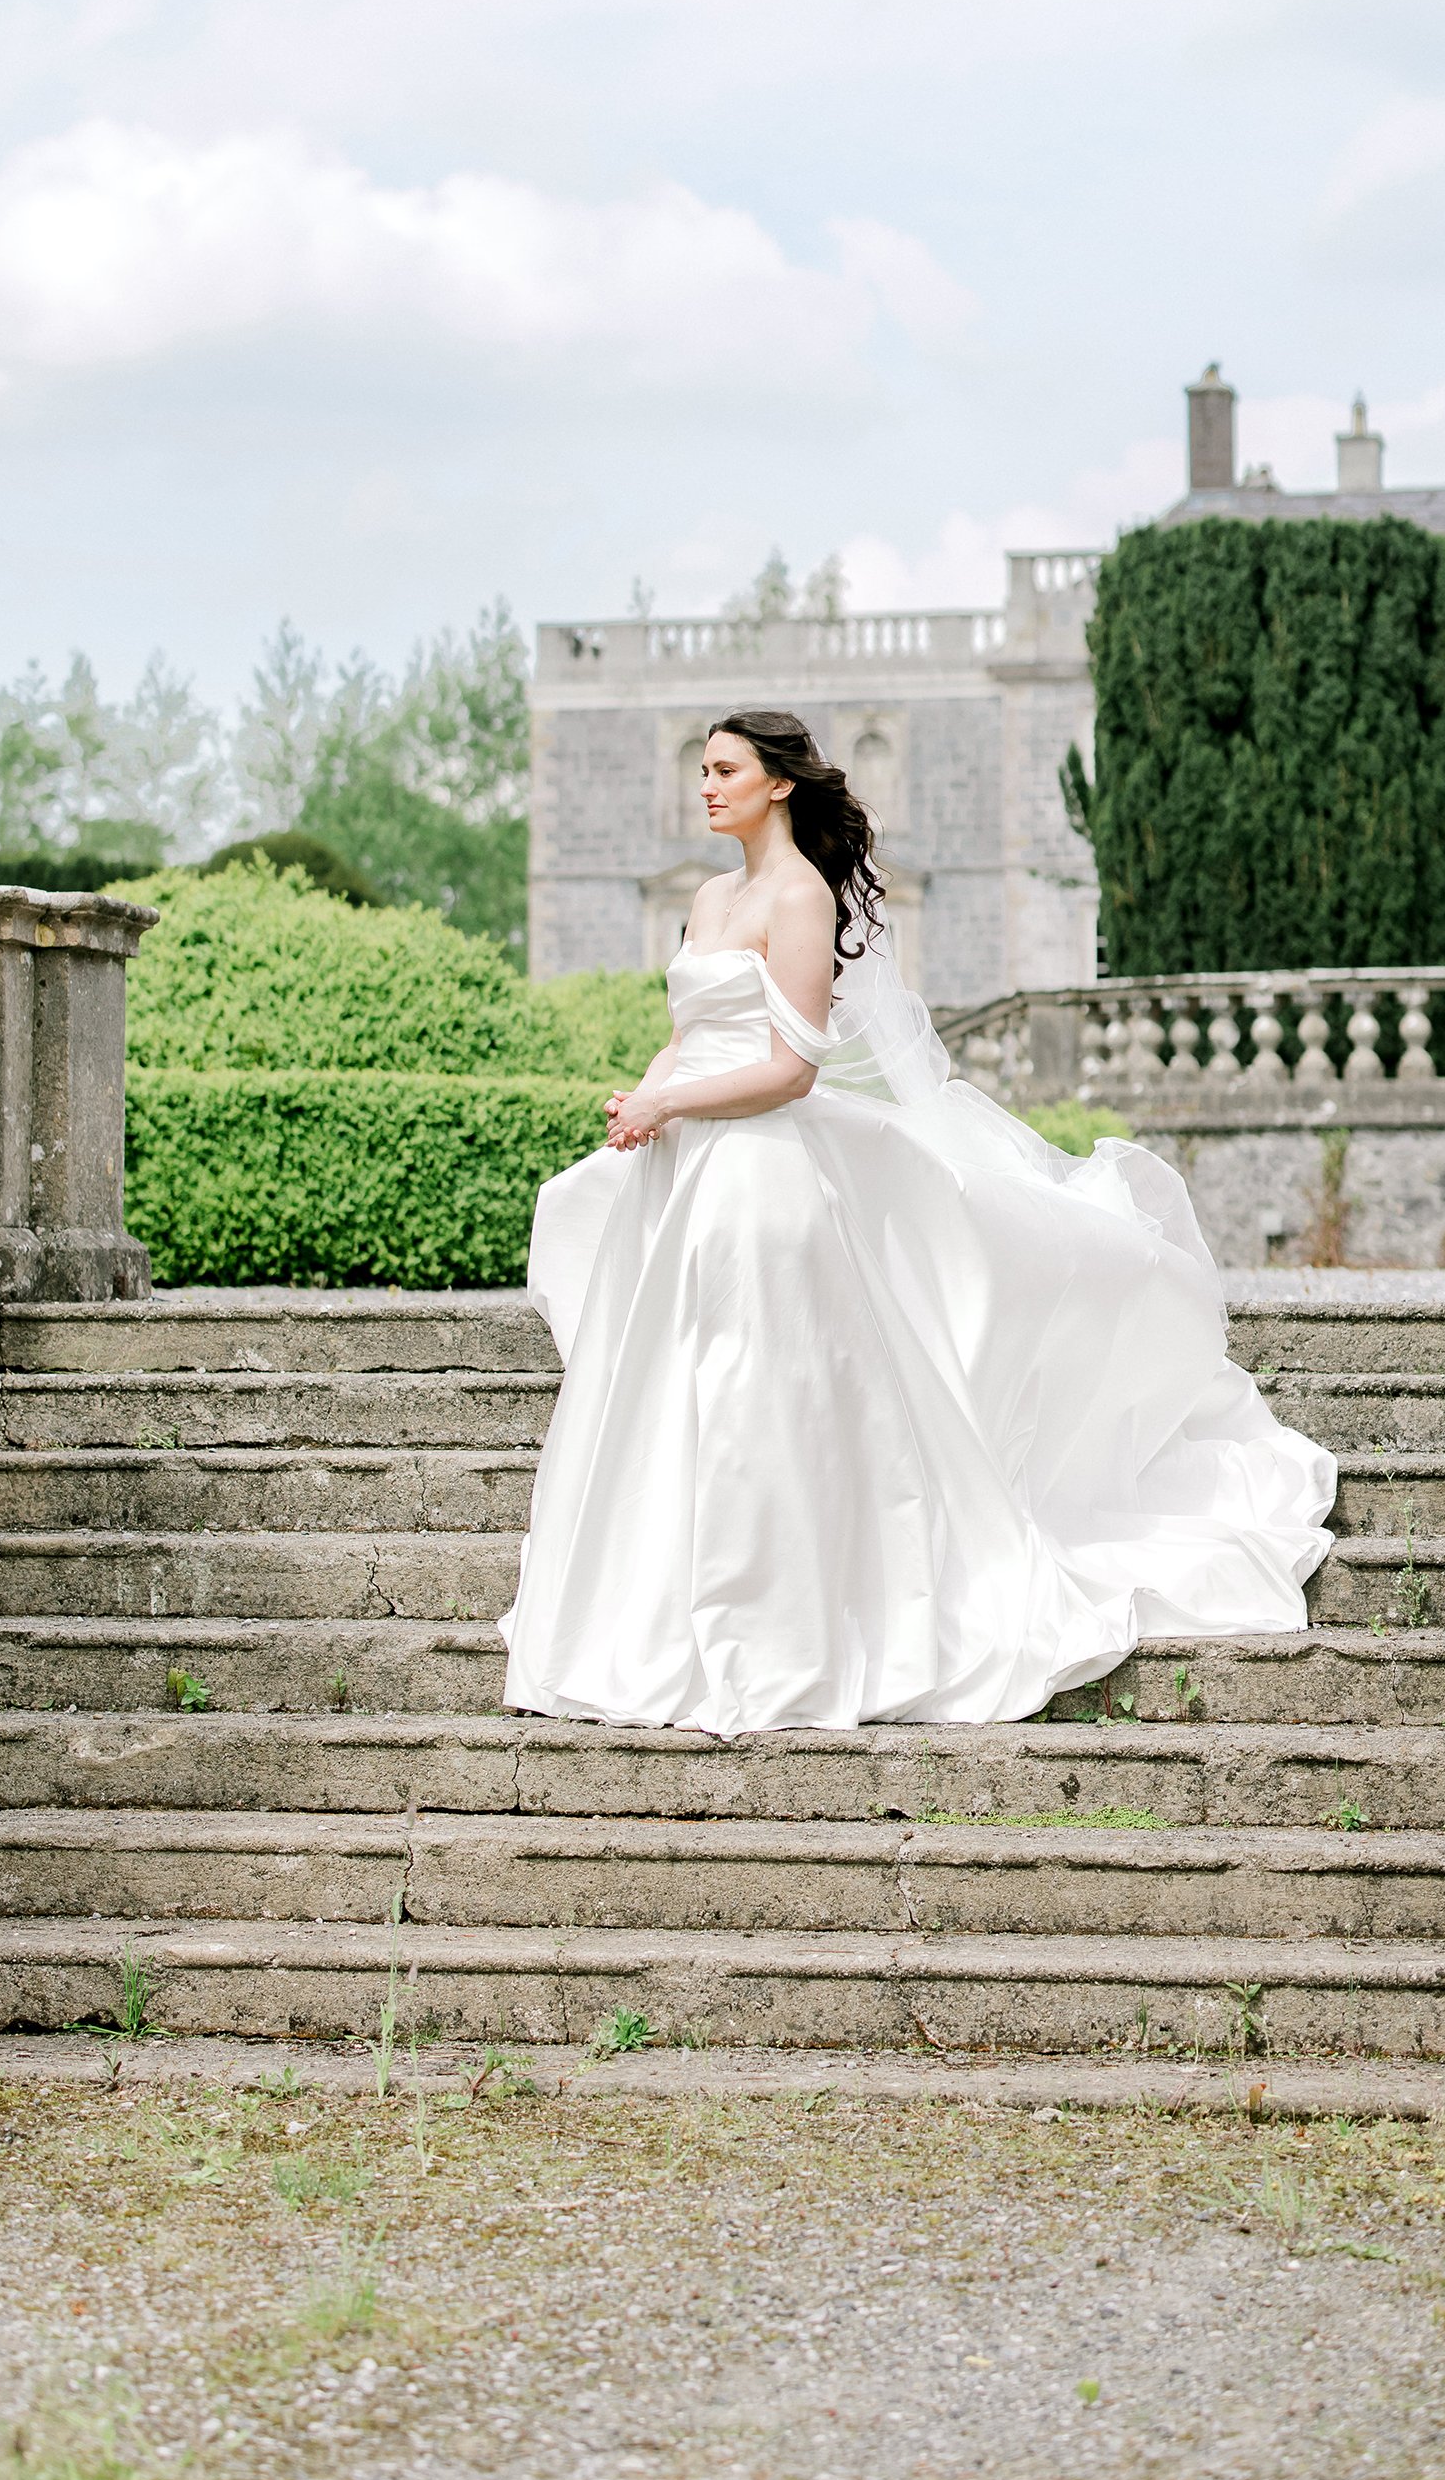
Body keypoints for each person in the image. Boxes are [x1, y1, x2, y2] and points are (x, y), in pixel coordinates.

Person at [501, 710, 1333, 1735]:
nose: (704, 786)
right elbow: (691, 1034)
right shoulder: (712, 895)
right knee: (676, 1397)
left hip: (760, 1175)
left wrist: (673, 1105)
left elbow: (791, 1066)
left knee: (761, 1397)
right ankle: (667, 1620)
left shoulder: (800, 896)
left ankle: (787, 1633)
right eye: (704, 769)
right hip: (682, 1173)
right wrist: (643, 1098)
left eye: (724, 770)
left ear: (777, 785)